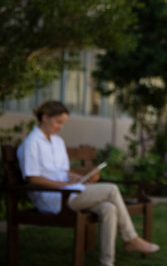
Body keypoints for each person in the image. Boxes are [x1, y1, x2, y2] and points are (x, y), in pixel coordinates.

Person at [17, 100, 159, 266]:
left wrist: (78, 178)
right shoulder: (31, 143)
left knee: (109, 208)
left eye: (63, 123)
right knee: (111, 189)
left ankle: (107, 262)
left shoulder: (57, 142)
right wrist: (64, 186)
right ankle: (130, 238)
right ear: (45, 117)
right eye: (58, 122)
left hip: (70, 193)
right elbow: (33, 178)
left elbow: (62, 172)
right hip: (53, 199)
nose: (61, 127)